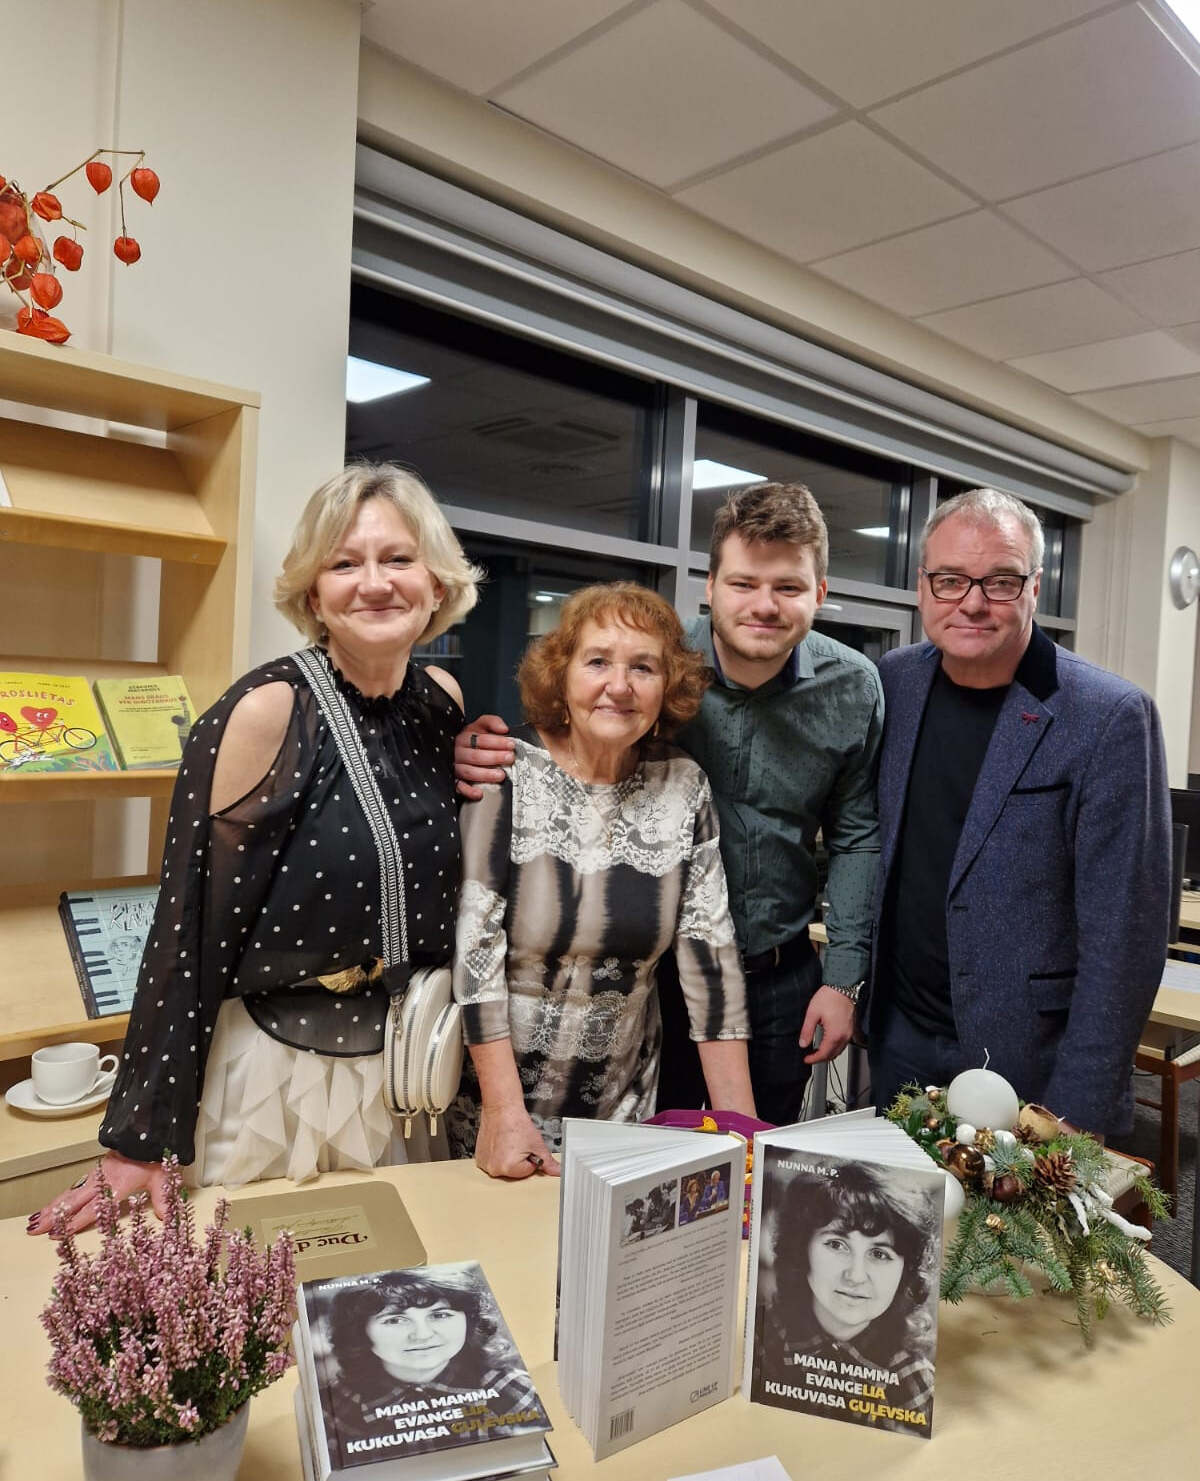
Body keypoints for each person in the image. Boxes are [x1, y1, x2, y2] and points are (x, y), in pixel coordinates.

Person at [30, 464, 481, 1237]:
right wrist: (142, 1137)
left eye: (398, 559)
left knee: (389, 1306)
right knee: (264, 1330)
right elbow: (185, 932)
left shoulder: (442, 704)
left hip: (404, 1073)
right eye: (344, 564)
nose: (374, 583)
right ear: (314, 595)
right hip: (274, 1080)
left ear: (438, 584)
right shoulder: (263, 713)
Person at [456, 483, 883, 1126]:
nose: (764, 605)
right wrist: (476, 747)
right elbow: (566, 733)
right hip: (646, 983)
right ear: (709, 587)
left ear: (820, 592)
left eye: (789, 587)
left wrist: (843, 977)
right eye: (743, 584)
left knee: (753, 1163)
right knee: (661, 1160)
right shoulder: (653, 657)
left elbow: (857, 837)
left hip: (775, 972)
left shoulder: (852, 688)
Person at [867, 487, 1172, 1136]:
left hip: (1030, 1062)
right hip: (900, 1038)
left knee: (1016, 1240)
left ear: (1035, 587)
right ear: (923, 585)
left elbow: (1127, 939)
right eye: (949, 580)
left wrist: (1074, 1109)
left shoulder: (1108, 717)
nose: (972, 602)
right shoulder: (896, 681)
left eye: (1000, 581)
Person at [447, 583, 756, 1177]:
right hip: (491, 1108)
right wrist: (502, 1112)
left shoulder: (683, 785)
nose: (619, 685)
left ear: (667, 687)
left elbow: (710, 962)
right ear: (562, 676)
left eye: (643, 667)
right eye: (597, 662)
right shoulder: (505, 774)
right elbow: (474, 954)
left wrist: (744, 1136)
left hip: (622, 1112)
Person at [751, 1164, 940, 1432]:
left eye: (879, 1254)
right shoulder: (761, 1336)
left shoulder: (914, 1381)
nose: (855, 1276)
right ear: (802, 1249)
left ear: (905, 1272)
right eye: (837, 1244)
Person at [322, 1267, 541, 1434]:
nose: (423, 1335)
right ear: (359, 1332)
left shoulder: (513, 1388)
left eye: (440, 1315)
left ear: (470, 1322)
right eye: (395, 1319)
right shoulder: (338, 1405)